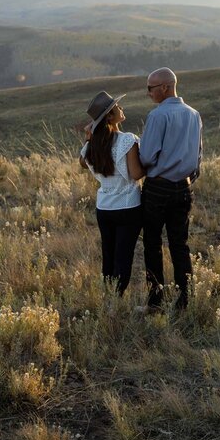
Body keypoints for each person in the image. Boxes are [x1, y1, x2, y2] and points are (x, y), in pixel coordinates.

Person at [139, 67, 202, 311]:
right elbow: (198, 156)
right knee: (179, 244)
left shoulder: (157, 115)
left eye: (150, 88)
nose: (148, 93)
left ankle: (155, 302)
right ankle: (185, 301)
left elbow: (146, 157)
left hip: (158, 188)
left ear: (165, 87)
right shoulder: (194, 114)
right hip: (184, 189)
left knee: (152, 244)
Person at [79, 91, 144, 295]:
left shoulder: (93, 145)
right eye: (117, 107)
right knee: (123, 255)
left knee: (108, 253)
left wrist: (89, 138)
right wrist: (151, 165)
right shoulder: (127, 140)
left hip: (104, 207)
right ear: (109, 116)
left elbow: (82, 162)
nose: (121, 109)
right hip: (128, 207)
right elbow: (135, 174)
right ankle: (116, 299)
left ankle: (109, 296)